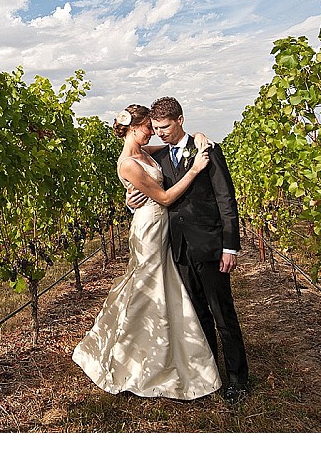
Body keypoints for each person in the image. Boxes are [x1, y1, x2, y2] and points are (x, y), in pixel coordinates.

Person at [72, 104, 221, 400]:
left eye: (154, 127)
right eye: (147, 127)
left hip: (161, 225)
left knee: (162, 284)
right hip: (149, 228)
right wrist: (194, 169)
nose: (152, 131)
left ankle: (171, 350)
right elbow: (164, 197)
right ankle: (133, 357)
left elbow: (176, 144)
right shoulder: (128, 162)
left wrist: (200, 135)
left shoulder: (145, 152)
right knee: (146, 286)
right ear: (131, 127)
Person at [128, 96, 250, 405]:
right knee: (197, 316)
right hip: (177, 248)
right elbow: (146, 182)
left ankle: (238, 379)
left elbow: (226, 200)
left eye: (165, 127)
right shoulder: (160, 157)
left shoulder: (206, 151)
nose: (160, 133)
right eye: (155, 128)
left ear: (180, 120)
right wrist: (130, 203)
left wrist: (229, 246)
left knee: (223, 315)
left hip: (210, 246)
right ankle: (208, 375)